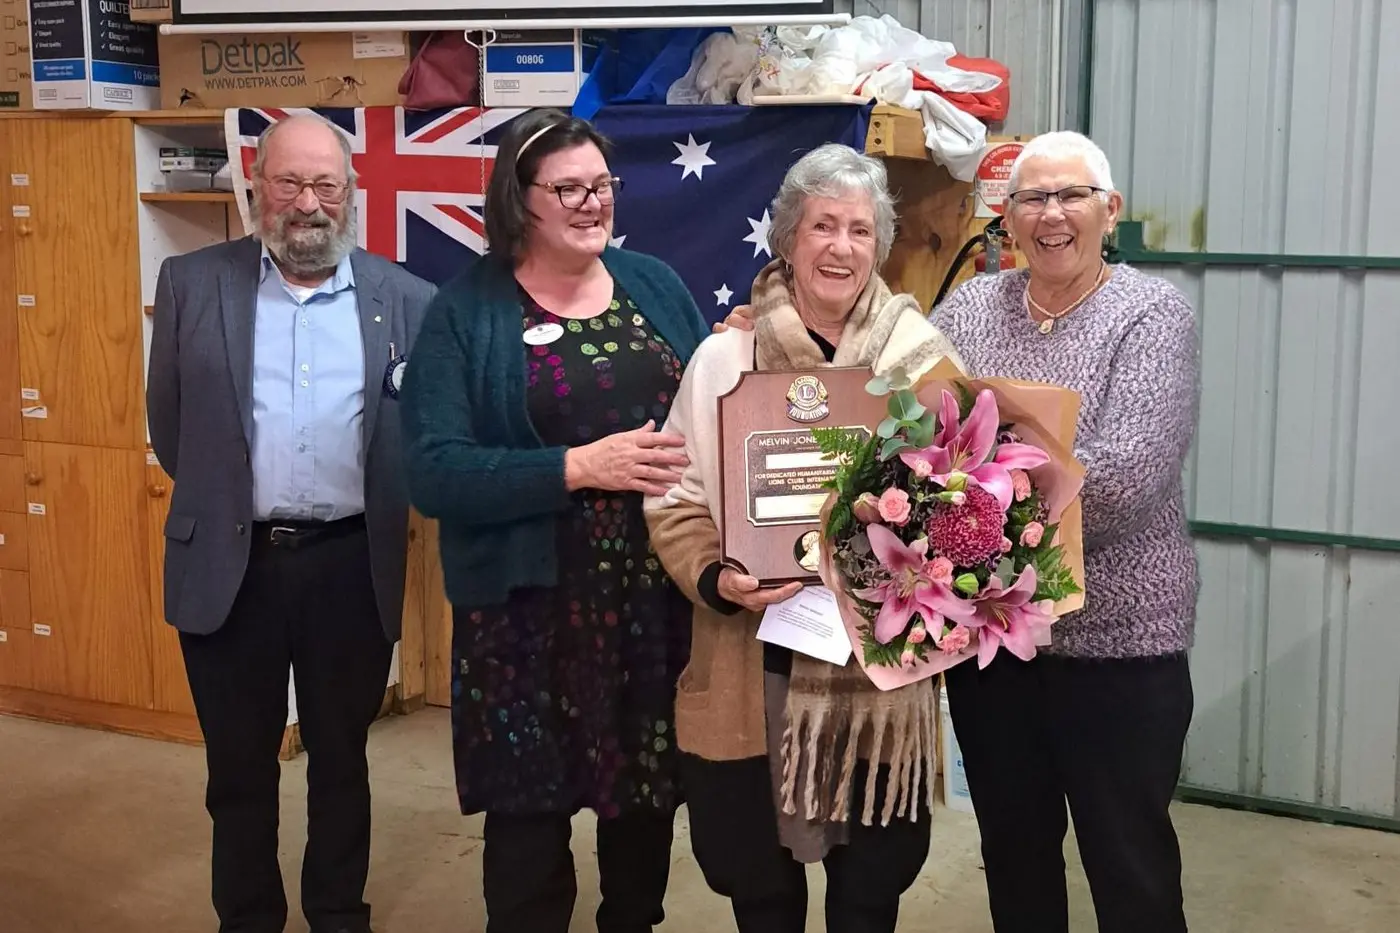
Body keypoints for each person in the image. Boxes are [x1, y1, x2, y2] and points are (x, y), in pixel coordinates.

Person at [397, 108, 710, 933]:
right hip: (525, 615)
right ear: (518, 199)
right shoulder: (465, 312)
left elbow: (713, 413)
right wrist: (574, 468)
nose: (591, 203)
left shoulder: (656, 286)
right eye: (567, 187)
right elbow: (431, 470)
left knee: (642, 813)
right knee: (529, 835)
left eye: (601, 185)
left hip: (649, 607)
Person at [643, 143, 964, 933]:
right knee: (762, 890)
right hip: (755, 659)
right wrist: (717, 578)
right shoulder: (725, 358)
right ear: (788, 237)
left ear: (879, 246)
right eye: (823, 225)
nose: (842, 246)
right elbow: (676, 501)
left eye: (860, 229)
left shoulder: (920, 360)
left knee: (869, 892)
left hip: (876, 673)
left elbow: (968, 498)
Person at [146, 113, 436, 933]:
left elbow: (413, 440)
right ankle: (248, 917)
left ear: (350, 193)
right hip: (230, 566)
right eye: (289, 182)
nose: (307, 202)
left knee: (342, 762)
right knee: (239, 768)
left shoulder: (405, 299)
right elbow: (170, 429)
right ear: (256, 185)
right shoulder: (191, 284)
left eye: (325, 184)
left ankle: (338, 913)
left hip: (349, 565)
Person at [933, 131, 1200, 932]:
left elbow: (1120, 481)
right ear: (1006, 218)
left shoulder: (1152, 316)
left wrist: (968, 489)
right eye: (1032, 199)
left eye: (1071, 196)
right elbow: (901, 412)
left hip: (1121, 644)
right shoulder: (970, 308)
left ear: (1108, 210)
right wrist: (764, 306)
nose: (1052, 215)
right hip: (995, 650)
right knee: (1014, 856)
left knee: (1130, 866)